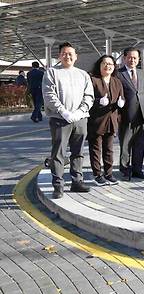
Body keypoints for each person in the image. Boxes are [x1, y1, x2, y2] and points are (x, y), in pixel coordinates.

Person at [42, 42, 94, 199]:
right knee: (58, 153)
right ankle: (58, 185)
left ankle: (77, 181)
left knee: (78, 152)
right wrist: (63, 111)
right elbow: (49, 94)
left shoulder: (83, 74)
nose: (67, 56)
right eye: (64, 53)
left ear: (76, 56)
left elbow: (89, 95)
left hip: (80, 119)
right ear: (59, 56)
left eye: (70, 53)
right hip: (59, 119)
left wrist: (80, 111)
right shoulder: (51, 73)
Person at [87, 55, 124, 186]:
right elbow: (87, 100)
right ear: (100, 65)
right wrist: (98, 102)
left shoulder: (117, 81)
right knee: (96, 148)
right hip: (96, 120)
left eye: (111, 64)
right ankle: (97, 174)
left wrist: (121, 103)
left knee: (109, 149)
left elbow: (122, 97)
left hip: (112, 120)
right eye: (105, 63)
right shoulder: (93, 80)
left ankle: (109, 174)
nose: (108, 66)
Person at [117, 47, 144, 180]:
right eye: (130, 57)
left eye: (135, 58)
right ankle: (125, 170)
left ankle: (138, 170)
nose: (132, 60)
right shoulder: (118, 74)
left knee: (140, 144)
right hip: (125, 115)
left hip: (141, 115)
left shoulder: (143, 73)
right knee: (125, 145)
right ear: (124, 58)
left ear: (138, 59)